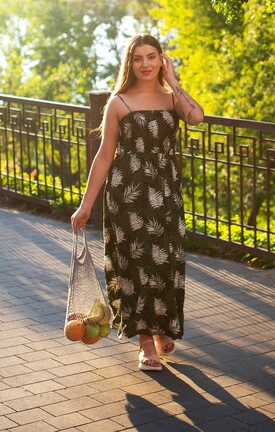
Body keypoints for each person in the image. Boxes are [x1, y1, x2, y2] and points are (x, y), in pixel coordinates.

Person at [71, 33, 204, 371]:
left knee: (166, 260)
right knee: (139, 263)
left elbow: (197, 117)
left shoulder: (172, 98)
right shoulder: (119, 102)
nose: (145, 64)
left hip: (165, 192)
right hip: (127, 193)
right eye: (138, 58)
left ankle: (160, 329)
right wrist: (86, 205)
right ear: (129, 63)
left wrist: (174, 81)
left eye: (152, 56)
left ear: (162, 60)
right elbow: (104, 157)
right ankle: (146, 344)